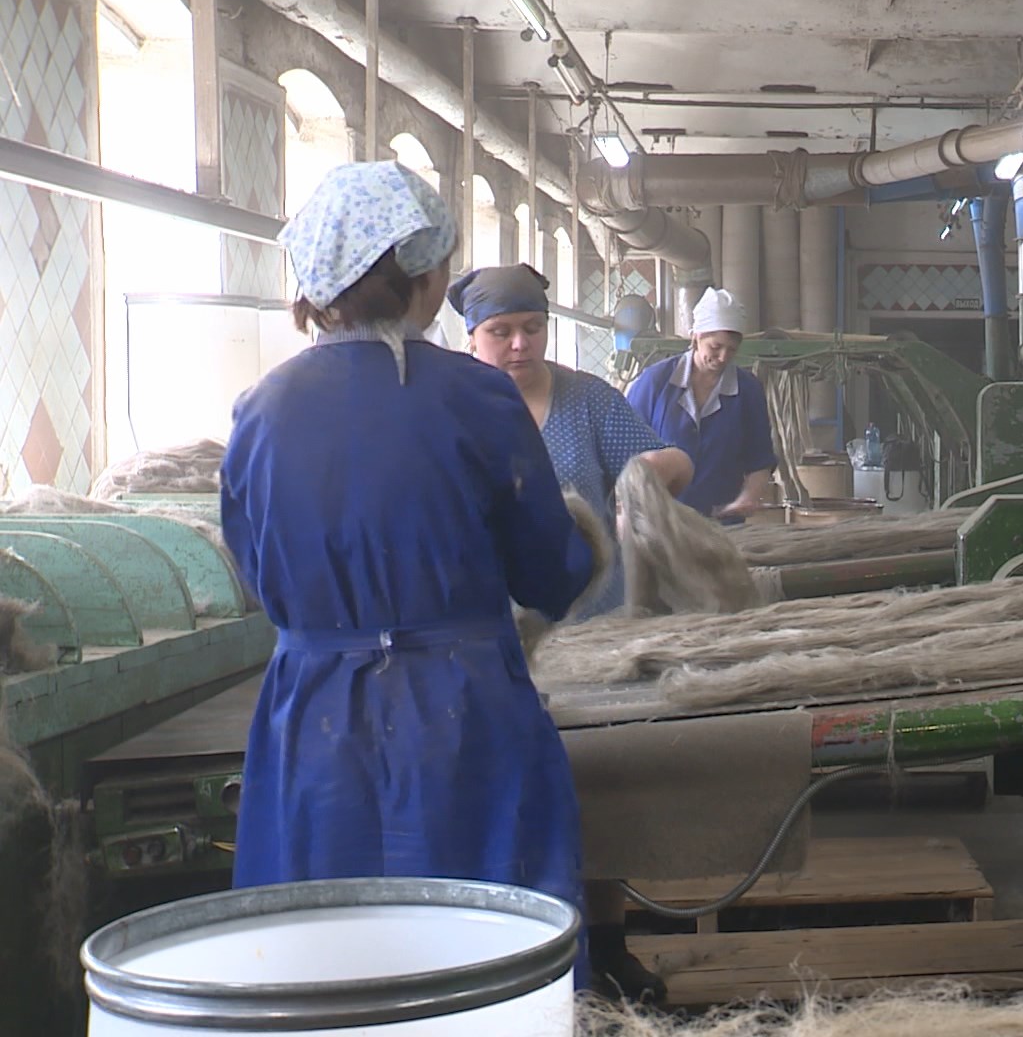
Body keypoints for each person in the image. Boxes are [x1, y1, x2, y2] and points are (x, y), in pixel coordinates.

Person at [219, 162, 606, 987]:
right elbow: (550, 573)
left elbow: (256, 574)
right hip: (461, 712)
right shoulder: (476, 397)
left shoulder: (262, 409)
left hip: (313, 719)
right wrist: (583, 541)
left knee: (319, 950)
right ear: (426, 275)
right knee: (488, 945)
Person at [448, 263, 694, 620]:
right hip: (488, 622)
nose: (520, 344)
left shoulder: (588, 400)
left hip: (592, 619)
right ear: (472, 336)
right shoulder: (449, 409)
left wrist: (658, 469)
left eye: (533, 328)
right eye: (500, 332)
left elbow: (676, 464)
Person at [625, 287, 778, 522]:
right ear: (696, 337)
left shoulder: (748, 391)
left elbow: (760, 459)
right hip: (661, 523)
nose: (723, 357)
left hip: (723, 525)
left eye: (732, 350)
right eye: (715, 347)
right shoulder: (655, 382)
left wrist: (749, 496)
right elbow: (624, 449)